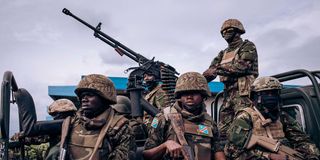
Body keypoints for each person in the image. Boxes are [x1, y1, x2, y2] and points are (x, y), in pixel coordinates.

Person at [225, 76, 320, 159]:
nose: (271, 97)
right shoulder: (245, 117)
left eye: (274, 93)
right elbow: (232, 151)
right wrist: (267, 156)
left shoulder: (282, 117)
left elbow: (302, 140)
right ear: (255, 97)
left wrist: (312, 155)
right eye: (266, 94)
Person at [48, 74, 135, 160]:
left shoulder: (120, 126)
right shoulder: (71, 123)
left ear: (104, 98)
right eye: (82, 96)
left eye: (90, 95)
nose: (84, 99)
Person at [143, 72, 226, 160]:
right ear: (179, 95)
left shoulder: (209, 122)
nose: (189, 97)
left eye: (194, 92)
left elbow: (218, 151)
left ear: (203, 95)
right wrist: (165, 145)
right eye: (185, 93)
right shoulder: (164, 118)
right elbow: (146, 155)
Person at [203, 18, 259, 144]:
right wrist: (201, 79)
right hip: (228, 94)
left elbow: (242, 66)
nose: (225, 33)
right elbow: (210, 71)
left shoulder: (247, 46)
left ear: (238, 31)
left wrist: (217, 69)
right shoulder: (223, 53)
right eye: (223, 31)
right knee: (222, 130)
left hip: (244, 93)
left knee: (245, 126)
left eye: (229, 30)